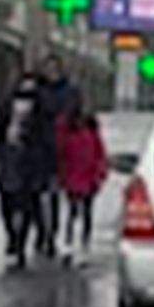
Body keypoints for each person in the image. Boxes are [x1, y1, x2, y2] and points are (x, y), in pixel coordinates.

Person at [0, 58, 65, 269]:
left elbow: (48, 137)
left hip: (32, 161)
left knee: (28, 203)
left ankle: (19, 243)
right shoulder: (6, 105)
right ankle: (12, 235)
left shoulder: (43, 108)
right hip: (9, 157)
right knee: (7, 201)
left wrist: (52, 165)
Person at [55, 89, 110, 253]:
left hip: (87, 174)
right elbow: (61, 151)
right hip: (74, 174)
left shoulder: (91, 128)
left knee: (85, 211)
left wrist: (100, 173)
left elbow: (99, 152)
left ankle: (81, 241)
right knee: (74, 210)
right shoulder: (67, 128)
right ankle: (70, 240)